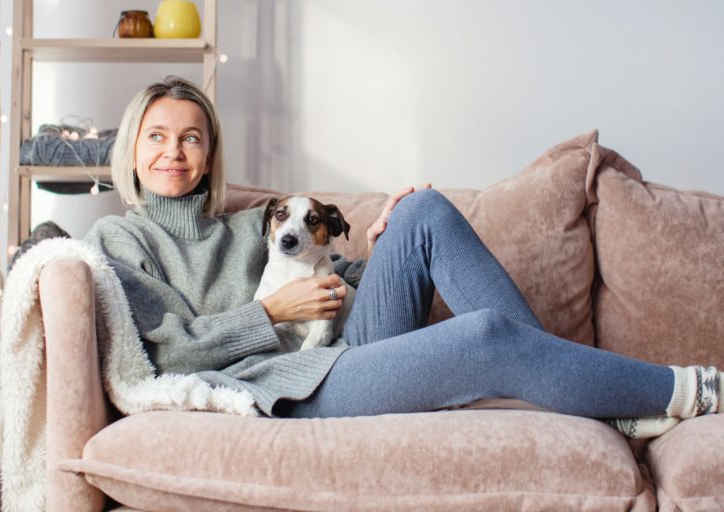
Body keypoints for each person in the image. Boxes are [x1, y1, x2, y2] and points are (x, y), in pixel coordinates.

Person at [85, 76, 722, 438]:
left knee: (422, 210)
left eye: (191, 137)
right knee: (485, 337)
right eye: (158, 136)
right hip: (278, 387)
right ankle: (690, 389)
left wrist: (384, 243)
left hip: (341, 351)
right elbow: (166, 354)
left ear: (208, 152)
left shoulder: (252, 223)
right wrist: (272, 311)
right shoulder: (121, 241)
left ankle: (585, 395)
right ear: (134, 150)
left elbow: (330, 282)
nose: (174, 151)